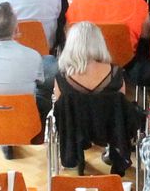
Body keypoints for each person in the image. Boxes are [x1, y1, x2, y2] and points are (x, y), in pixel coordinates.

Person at [49, 21, 128, 172]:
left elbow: (60, 110)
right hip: (108, 129)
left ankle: (77, 157)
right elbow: (121, 106)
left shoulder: (62, 77)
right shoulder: (116, 73)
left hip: (75, 130)